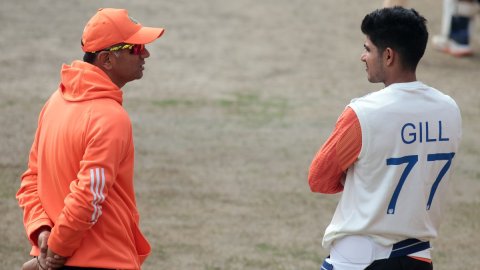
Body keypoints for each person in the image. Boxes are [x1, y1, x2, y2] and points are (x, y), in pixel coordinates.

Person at [308, 7, 462, 270]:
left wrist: (362, 176)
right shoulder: (449, 110)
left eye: (368, 49)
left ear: (388, 55)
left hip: (356, 260)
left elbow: (319, 179)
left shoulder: (362, 113)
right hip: (418, 258)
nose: (362, 56)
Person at [16, 8, 165, 270]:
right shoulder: (110, 117)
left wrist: (42, 232)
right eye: (137, 48)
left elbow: (31, 179)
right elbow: (89, 197)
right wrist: (56, 251)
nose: (146, 54)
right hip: (102, 259)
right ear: (107, 59)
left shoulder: (55, 102)